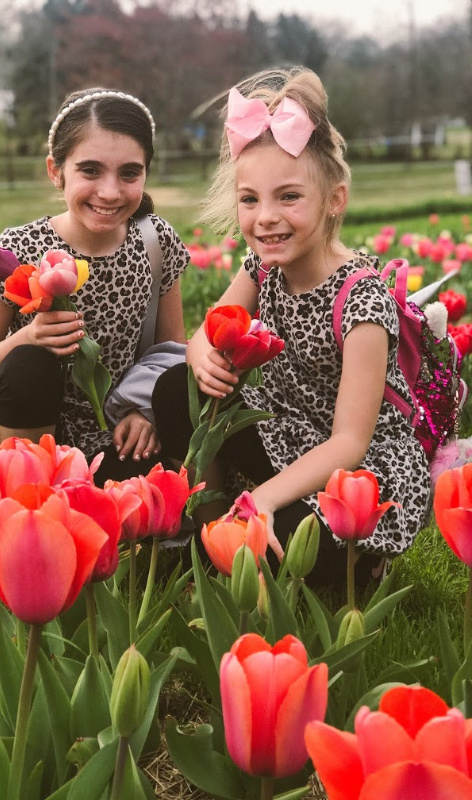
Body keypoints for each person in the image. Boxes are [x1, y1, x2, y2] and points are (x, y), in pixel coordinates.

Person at [152, 67, 432, 586]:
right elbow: (204, 332)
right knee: (177, 388)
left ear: (334, 201)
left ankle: (360, 559)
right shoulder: (262, 267)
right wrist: (200, 356)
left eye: (289, 197)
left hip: (356, 472)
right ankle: (213, 525)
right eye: (250, 199)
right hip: (286, 434)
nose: (266, 218)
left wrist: (265, 497)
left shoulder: (362, 303)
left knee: (299, 547)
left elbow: (349, 442)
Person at [0, 88, 189, 499]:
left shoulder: (155, 241)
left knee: (149, 499)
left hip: (114, 432)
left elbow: (171, 353)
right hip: (24, 427)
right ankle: (24, 503)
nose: (110, 191)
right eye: (90, 170)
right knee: (30, 363)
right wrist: (26, 338)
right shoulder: (18, 250)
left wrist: (147, 409)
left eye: (129, 173)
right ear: (55, 170)